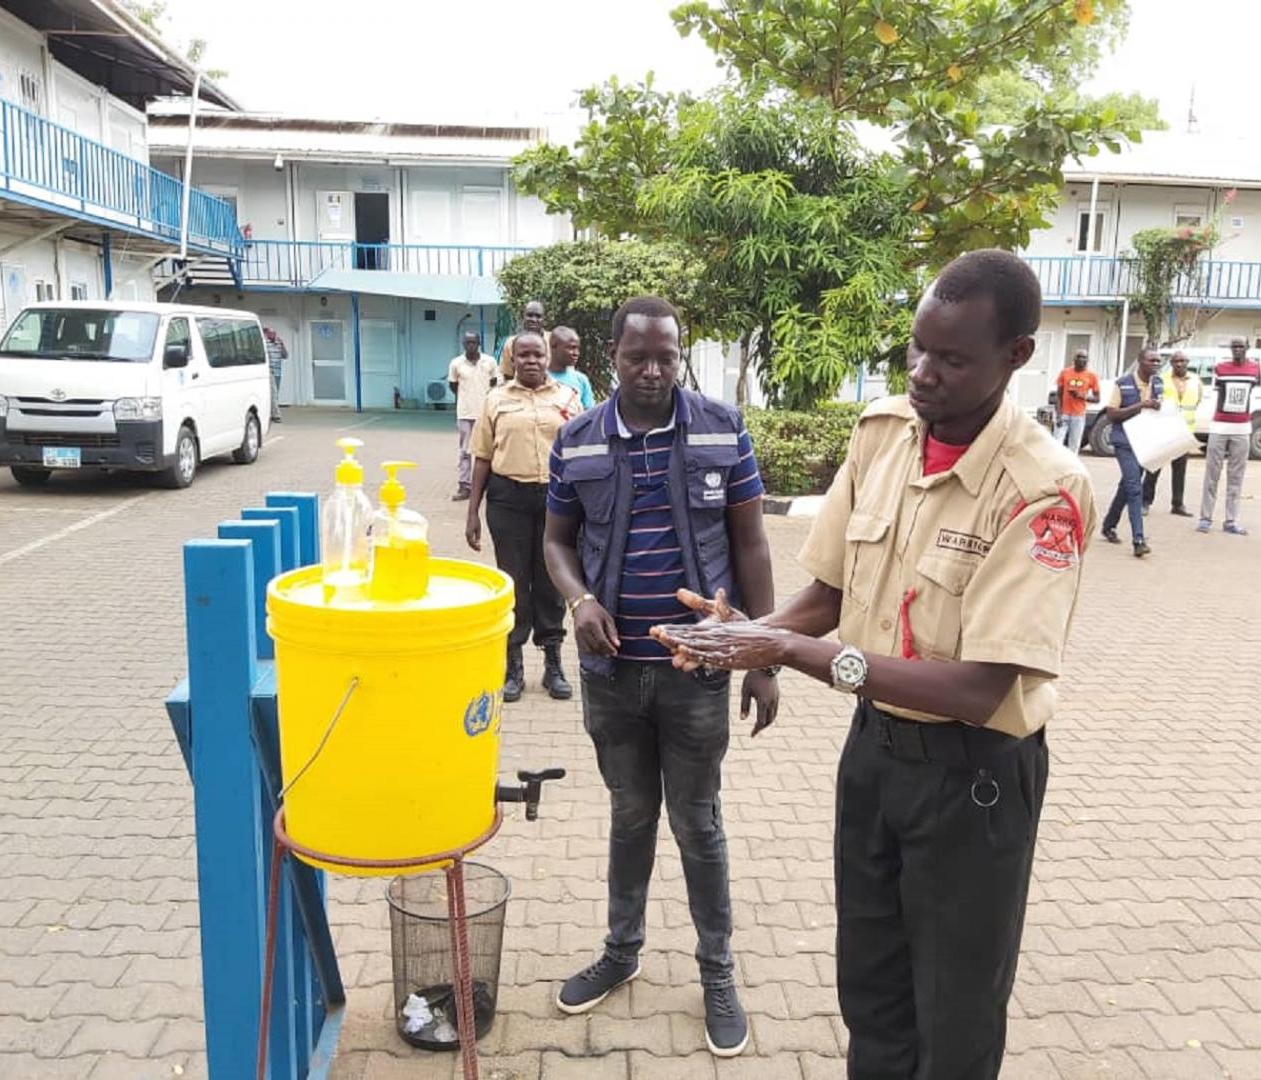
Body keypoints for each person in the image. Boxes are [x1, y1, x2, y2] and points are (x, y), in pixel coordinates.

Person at [649, 251, 1096, 1080]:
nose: (923, 374)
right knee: (873, 992)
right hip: (876, 762)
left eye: (952, 359)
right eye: (915, 350)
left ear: (1018, 356)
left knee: (954, 1017)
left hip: (974, 785)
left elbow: (980, 687)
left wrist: (789, 650)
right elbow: (828, 592)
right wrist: (748, 633)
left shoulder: (1042, 490)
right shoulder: (884, 436)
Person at [543, 295, 777, 1058]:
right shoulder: (575, 440)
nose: (652, 369)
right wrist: (577, 600)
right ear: (611, 355)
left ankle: (717, 971)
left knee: (698, 823)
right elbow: (555, 542)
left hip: (695, 677)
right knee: (630, 815)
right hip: (612, 678)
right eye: (638, 355)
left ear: (681, 356)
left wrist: (762, 652)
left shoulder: (721, 428)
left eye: (665, 356)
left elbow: (753, 546)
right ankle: (622, 950)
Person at [467, 331, 583, 700]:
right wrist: (472, 511)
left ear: (548, 357)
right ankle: (513, 665)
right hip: (508, 499)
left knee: (552, 582)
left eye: (538, 354)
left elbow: (583, 456)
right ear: (512, 360)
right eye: (524, 355)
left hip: (557, 500)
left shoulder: (569, 399)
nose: (531, 361)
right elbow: (482, 456)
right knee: (514, 581)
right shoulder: (495, 400)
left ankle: (553, 663)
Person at [1100, 347, 1162, 557]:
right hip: (1125, 442)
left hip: (1146, 443)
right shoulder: (1123, 383)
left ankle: (1109, 525)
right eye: (1151, 361)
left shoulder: (1159, 384)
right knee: (1135, 487)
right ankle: (1138, 539)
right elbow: (1111, 414)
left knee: (1127, 485)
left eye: (1158, 361)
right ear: (1140, 361)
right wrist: (1140, 405)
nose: (1155, 364)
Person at [1198, 337, 1260, 535]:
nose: (1237, 349)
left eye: (1241, 346)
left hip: (1242, 428)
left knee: (1236, 476)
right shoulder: (1220, 368)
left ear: (1247, 348)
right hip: (1219, 426)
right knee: (1212, 474)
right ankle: (1205, 518)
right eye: (1234, 346)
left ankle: (1231, 520)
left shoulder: (1255, 369)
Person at [1142, 350, 1200, 517]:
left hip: (1184, 432)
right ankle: (1145, 502)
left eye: (1183, 361)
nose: (1179, 364)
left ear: (1187, 362)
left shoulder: (1196, 380)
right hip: (1165, 431)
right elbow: (1152, 401)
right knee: (1154, 468)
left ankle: (1178, 504)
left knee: (1180, 470)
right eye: (1176, 361)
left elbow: (1196, 401)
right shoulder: (1160, 379)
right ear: (1171, 363)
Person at [447, 331, 499, 501]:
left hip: (486, 413)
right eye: (467, 342)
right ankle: (464, 486)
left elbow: (494, 383)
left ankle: (488, 486)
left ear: (479, 343)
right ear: (463, 344)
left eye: (473, 342)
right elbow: (453, 385)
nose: (471, 345)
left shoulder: (489, 362)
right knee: (465, 451)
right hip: (465, 413)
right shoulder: (456, 363)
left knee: (487, 451)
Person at [1053, 348, 1099, 453]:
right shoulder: (1065, 373)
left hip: (1078, 415)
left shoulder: (1092, 376)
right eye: (1079, 356)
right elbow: (1058, 396)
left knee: (1074, 445)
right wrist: (1058, 415)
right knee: (1056, 443)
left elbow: (1097, 399)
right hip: (1064, 413)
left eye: (1084, 357)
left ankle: (1070, 467)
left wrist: (1081, 396)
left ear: (1087, 360)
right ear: (1074, 359)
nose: (1081, 360)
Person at [548, 325, 595, 409]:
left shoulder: (581, 380)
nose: (576, 353)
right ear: (554, 347)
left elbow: (590, 414)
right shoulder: (539, 378)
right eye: (571, 348)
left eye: (578, 349)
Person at [499, 299, 547, 381]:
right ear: (523, 317)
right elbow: (508, 376)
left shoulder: (554, 341)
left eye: (538, 316)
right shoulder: (511, 343)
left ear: (544, 319)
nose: (534, 320)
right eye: (530, 315)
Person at [263, 327, 288, 423]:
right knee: (273, 394)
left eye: (274, 333)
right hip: (270, 371)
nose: (274, 335)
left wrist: (282, 345)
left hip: (278, 372)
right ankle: (276, 415)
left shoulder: (278, 343)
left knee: (275, 394)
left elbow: (285, 356)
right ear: (268, 335)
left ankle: (270, 414)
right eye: (271, 333)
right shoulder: (266, 344)